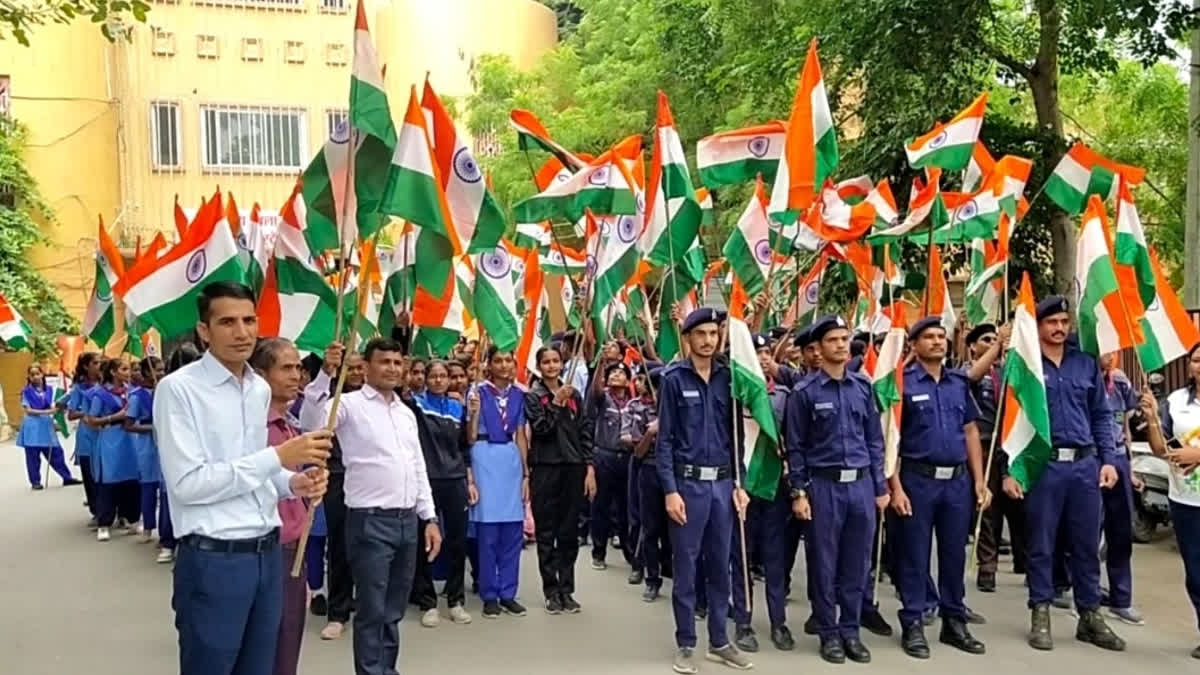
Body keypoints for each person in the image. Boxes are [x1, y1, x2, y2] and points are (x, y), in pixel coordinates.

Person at [155, 282, 331, 675]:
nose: (242, 332)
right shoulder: (179, 391)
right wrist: (278, 457)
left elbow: (253, 467)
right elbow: (188, 483)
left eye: (249, 320)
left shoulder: (255, 389)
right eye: (227, 322)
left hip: (267, 556)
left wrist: (291, 483)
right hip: (215, 558)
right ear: (204, 331)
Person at [1002, 296, 1124, 652]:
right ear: (1038, 326)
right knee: (1041, 543)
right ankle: (1040, 611)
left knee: (1086, 545)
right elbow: (1010, 423)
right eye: (1051, 322)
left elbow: (1101, 415)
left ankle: (1089, 615)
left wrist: (1108, 461)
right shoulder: (1023, 365)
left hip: (1085, 466)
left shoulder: (1085, 365)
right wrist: (1011, 471)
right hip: (1044, 465)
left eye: (1064, 322)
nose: (1059, 328)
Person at [318, 337, 442, 675]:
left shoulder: (405, 413)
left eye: (397, 362)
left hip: (407, 522)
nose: (392, 368)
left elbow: (417, 466)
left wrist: (428, 517)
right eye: (384, 362)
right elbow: (316, 422)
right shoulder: (348, 403)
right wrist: (326, 376)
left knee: (393, 610)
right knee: (372, 610)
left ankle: (387, 669)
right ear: (366, 367)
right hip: (369, 521)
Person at [785, 315, 887, 665]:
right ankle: (829, 633)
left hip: (860, 485)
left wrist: (880, 486)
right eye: (834, 340)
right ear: (819, 348)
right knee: (824, 563)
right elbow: (795, 447)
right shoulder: (805, 393)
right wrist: (798, 493)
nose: (842, 345)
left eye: (845, 339)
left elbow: (875, 440)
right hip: (824, 486)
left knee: (857, 563)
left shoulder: (863, 387)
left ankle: (851, 630)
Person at [657, 308, 753, 673]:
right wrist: (670, 490)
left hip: (724, 485)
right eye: (701, 334)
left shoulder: (730, 378)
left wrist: (739, 483)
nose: (709, 340)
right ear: (688, 338)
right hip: (689, 485)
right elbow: (664, 440)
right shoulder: (673, 379)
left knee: (721, 565)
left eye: (714, 333)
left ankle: (719, 641)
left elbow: (736, 437)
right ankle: (685, 641)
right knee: (686, 567)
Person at [890, 317, 989, 659]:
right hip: (917, 480)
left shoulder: (958, 383)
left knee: (953, 554)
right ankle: (914, 621)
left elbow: (971, 432)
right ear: (914, 345)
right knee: (914, 555)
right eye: (929, 337)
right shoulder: (902, 384)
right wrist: (895, 487)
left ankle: (954, 620)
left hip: (957, 482)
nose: (937, 342)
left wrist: (979, 481)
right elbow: (891, 440)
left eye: (941, 337)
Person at [248, 338, 310, 675]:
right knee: (268, 646)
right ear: (261, 375)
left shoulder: (290, 425)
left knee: (288, 643)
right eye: (286, 368)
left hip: (294, 546)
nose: (296, 375)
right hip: (267, 545)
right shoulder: (253, 427)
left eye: (298, 368)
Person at [731, 334, 796, 653]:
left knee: (774, 558)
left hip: (773, 486)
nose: (762, 357)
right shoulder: (732, 396)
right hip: (742, 485)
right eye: (756, 353)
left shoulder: (784, 395)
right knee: (742, 556)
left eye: (767, 352)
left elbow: (793, 440)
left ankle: (778, 622)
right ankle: (743, 621)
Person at [300, 343, 366, 641]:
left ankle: (368, 608)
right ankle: (338, 613)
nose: (355, 373)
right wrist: (326, 373)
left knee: (370, 547)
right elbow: (310, 421)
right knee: (339, 545)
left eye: (360, 367)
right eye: (349, 368)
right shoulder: (330, 399)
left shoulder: (378, 399)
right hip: (339, 477)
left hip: (370, 479)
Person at [525, 345, 596, 613]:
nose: (552, 366)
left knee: (568, 533)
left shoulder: (575, 394)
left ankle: (567, 589)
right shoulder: (534, 396)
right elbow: (541, 429)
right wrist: (556, 404)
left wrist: (589, 466)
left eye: (556, 361)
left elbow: (585, 431)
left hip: (573, 468)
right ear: (539, 366)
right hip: (546, 468)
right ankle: (550, 589)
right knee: (547, 532)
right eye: (547, 362)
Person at [1141, 342, 1200, 658]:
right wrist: (1151, 418)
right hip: (1186, 499)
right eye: (1196, 360)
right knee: (1196, 573)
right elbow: (1161, 449)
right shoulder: (1176, 402)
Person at [466, 347, 529, 618]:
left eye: (508, 360)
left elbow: (521, 435)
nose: (504, 365)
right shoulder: (476, 392)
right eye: (498, 361)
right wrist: (475, 413)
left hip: (510, 459)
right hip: (484, 456)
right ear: (488, 365)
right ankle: (489, 593)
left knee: (512, 532)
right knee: (488, 532)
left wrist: (526, 474)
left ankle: (508, 593)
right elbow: (468, 437)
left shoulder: (519, 395)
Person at [410, 360, 474, 627]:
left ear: (449, 380)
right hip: (426, 481)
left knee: (457, 542)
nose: (437, 380)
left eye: (442, 376)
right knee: (425, 541)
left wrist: (469, 479)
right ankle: (427, 602)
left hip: (455, 480)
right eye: (432, 376)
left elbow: (466, 445)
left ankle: (456, 600)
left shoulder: (458, 407)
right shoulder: (414, 405)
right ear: (425, 378)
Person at [965, 323, 1025, 591]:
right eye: (985, 339)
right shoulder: (967, 374)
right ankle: (987, 569)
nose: (991, 342)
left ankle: (1025, 563)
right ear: (973, 347)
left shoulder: (1009, 371)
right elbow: (971, 377)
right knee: (988, 510)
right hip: (985, 447)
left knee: (1019, 508)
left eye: (994, 338)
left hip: (1011, 447)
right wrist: (999, 344)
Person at [1097, 351, 1144, 625]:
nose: (1109, 355)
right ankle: (1086, 595)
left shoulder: (1121, 383)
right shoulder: (1086, 380)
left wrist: (1131, 468)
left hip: (1118, 459)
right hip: (1092, 461)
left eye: (1112, 349)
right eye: (1103, 349)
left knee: (1121, 531)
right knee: (1088, 532)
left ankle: (1121, 598)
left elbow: (1124, 429)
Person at [156, 343, 202, 564]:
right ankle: (169, 541)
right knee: (175, 492)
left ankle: (171, 541)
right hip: (176, 456)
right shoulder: (172, 388)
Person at [589, 361, 636, 573]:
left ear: (628, 380)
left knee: (626, 508)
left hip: (626, 459)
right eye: (612, 373)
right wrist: (601, 364)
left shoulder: (633, 403)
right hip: (604, 457)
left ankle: (630, 551)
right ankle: (598, 552)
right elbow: (596, 389)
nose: (616, 375)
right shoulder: (603, 398)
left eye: (621, 373)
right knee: (601, 506)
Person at [88, 358, 141, 541]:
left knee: (132, 479)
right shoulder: (100, 395)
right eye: (124, 369)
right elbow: (92, 420)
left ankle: (132, 518)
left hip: (130, 439)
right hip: (111, 437)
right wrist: (114, 417)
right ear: (112, 372)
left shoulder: (132, 392)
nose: (128, 372)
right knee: (109, 481)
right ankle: (104, 523)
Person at [631, 369, 669, 602]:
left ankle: (671, 570)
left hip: (675, 472)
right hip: (650, 470)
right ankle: (652, 579)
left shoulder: (678, 411)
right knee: (650, 528)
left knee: (676, 531)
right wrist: (651, 432)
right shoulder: (641, 411)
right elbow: (638, 452)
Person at [18, 365, 79, 490]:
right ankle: (35, 481)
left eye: (38, 373)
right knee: (33, 456)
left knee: (56, 452)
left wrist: (58, 408)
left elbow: (56, 403)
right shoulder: (26, 392)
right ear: (29, 377)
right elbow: (27, 410)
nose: (35, 377)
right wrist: (47, 412)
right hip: (32, 427)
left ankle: (66, 477)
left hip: (46, 426)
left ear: (42, 374)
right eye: (32, 374)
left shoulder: (50, 390)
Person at [126, 357, 164, 544]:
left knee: (165, 490)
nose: (161, 374)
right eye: (158, 370)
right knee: (149, 487)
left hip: (164, 445)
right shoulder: (136, 396)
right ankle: (148, 527)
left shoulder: (164, 391)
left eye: (163, 370)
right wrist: (152, 428)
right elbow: (129, 424)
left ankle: (166, 533)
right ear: (147, 372)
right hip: (146, 445)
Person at [68, 352, 102, 521]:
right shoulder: (79, 388)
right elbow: (71, 414)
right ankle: (96, 512)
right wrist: (87, 413)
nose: (99, 365)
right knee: (89, 475)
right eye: (95, 363)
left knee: (105, 474)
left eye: (101, 362)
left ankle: (112, 509)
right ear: (86, 366)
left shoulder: (107, 385)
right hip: (87, 435)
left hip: (104, 434)